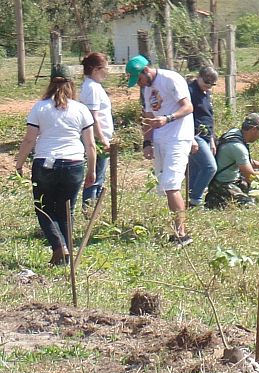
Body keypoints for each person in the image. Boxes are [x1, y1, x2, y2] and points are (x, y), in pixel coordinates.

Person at [14, 64, 97, 265]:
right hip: (74, 163)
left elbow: (29, 140)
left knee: (43, 208)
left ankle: (60, 248)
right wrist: (92, 170)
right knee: (66, 210)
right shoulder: (81, 109)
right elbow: (91, 144)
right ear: (71, 85)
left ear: (50, 83)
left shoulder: (40, 107)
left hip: (45, 163)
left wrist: (19, 163)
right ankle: (65, 253)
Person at [126, 55, 194, 247]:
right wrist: (147, 142)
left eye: (138, 79)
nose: (139, 84)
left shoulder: (171, 79)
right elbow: (148, 115)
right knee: (164, 186)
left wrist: (168, 119)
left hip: (177, 137)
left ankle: (181, 234)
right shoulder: (147, 89)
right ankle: (176, 227)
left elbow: (188, 107)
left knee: (172, 184)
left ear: (145, 71)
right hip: (160, 139)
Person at [206, 113, 259, 209]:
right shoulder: (238, 147)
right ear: (254, 129)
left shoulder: (235, 133)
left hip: (232, 179)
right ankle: (217, 200)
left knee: (253, 191)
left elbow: (246, 162)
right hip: (222, 184)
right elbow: (251, 176)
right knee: (249, 206)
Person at [79, 52, 112, 216]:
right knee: (96, 175)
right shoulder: (91, 88)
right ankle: (89, 211)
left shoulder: (94, 86)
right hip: (97, 139)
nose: (107, 71)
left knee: (99, 175)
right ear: (96, 69)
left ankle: (93, 210)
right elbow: (93, 117)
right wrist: (102, 138)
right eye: (105, 68)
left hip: (100, 137)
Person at [187, 66, 218, 208]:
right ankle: (196, 199)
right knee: (209, 167)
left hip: (206, 136)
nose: (209, 85)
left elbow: (208, 116)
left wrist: (211, 140)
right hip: (194, 135)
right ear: (198, 76)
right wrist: (191, 138)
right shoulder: (190, 92)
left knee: (196, 168)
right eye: (207, 82)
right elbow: (186, 116)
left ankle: (190, 201)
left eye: (212, 84)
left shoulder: (206, 93)